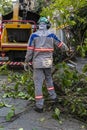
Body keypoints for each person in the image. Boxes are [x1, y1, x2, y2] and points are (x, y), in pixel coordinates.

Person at [24, 17, 69, 113]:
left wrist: (26, 61)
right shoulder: (52, 35)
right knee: (49, 80)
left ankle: (39, 106)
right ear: (47, 25)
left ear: (38, 25)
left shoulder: (33, 36)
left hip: (38, 63)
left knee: (38, 83)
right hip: (48, 62)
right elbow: (61, 45)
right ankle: (53, 97)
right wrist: (67, 50)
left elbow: (30, 51)